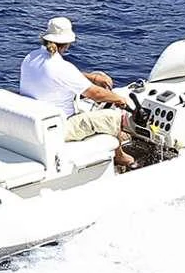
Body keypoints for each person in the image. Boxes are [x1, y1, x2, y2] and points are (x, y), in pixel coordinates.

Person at [19, 16, 134, 170]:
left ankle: (117, 134)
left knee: (97, 83)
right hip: (60, 128)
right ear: (67, 43)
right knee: (114, 116)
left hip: (35, 122)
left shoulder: (31, 57)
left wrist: (92, 77)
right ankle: (120, 157)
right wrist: (119, 99)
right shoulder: (61, 67)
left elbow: (62, 77)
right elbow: (95, 94)